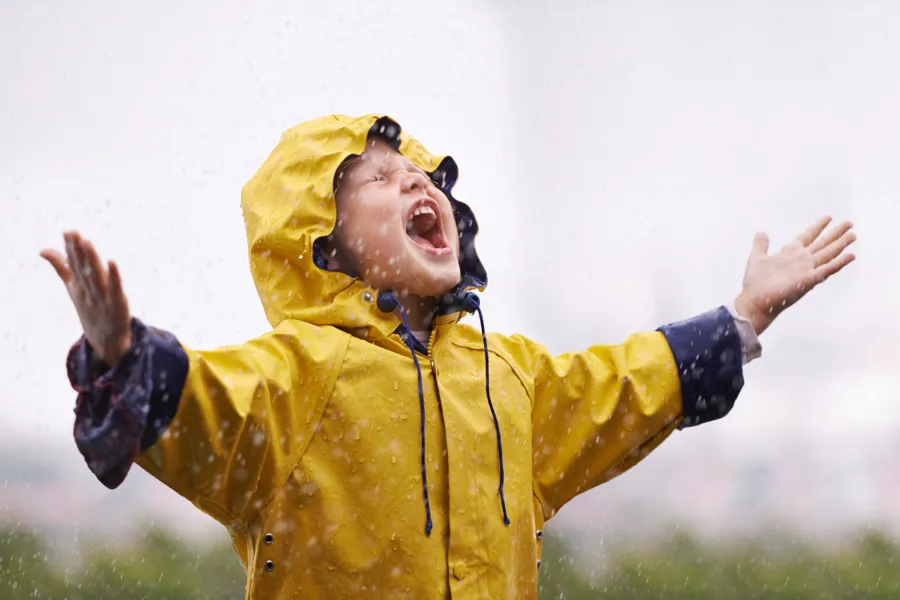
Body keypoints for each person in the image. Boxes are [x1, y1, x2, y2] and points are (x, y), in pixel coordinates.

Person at [41, 114, 856, 599]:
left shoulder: (509, 377)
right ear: (319, 244)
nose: (417, 184)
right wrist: (120, 354)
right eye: (382, 180)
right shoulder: (296, 378)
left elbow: (623, 384)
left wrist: (744, 315)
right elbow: (199, 402)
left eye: (422, 175)